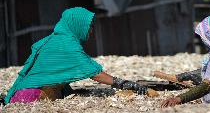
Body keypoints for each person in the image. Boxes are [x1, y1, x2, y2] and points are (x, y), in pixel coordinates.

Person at [4, 7, 147, 104]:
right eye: (88, 26)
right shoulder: (66, 44)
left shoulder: (55, 39)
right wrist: (125, 84)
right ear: (76, 24)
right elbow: (93, 72)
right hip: (30, 97)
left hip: (27, 94)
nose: (91, 30)